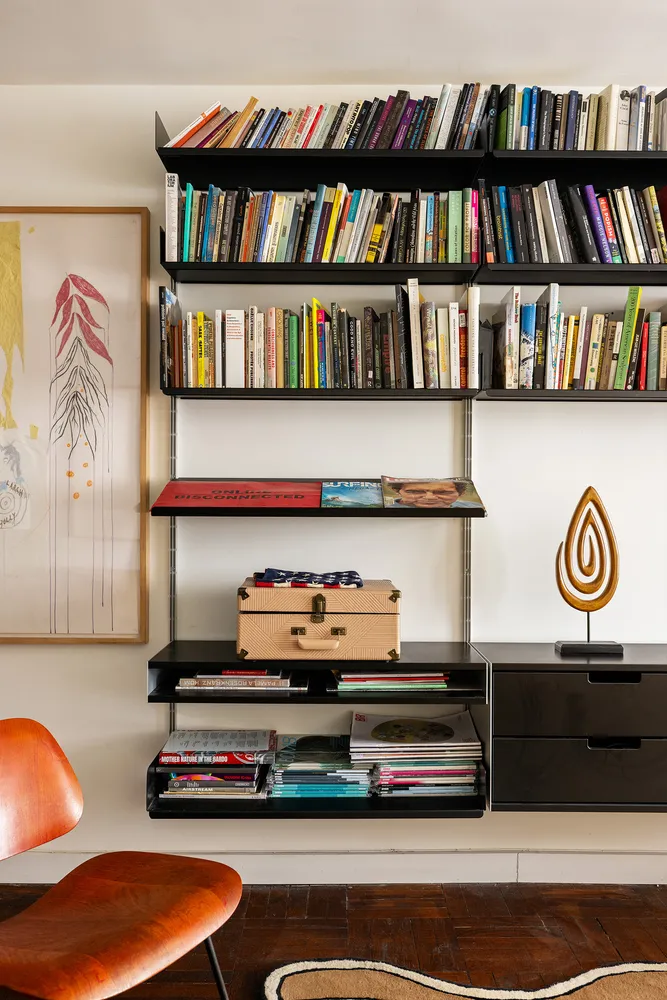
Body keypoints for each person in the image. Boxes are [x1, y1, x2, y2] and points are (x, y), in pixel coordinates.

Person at [389, 479, 482, 509]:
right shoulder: (390, 507)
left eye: (443, 492)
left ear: (461, 493)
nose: (429, 498)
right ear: (397, 491)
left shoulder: (473, 507)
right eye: (415, 491)